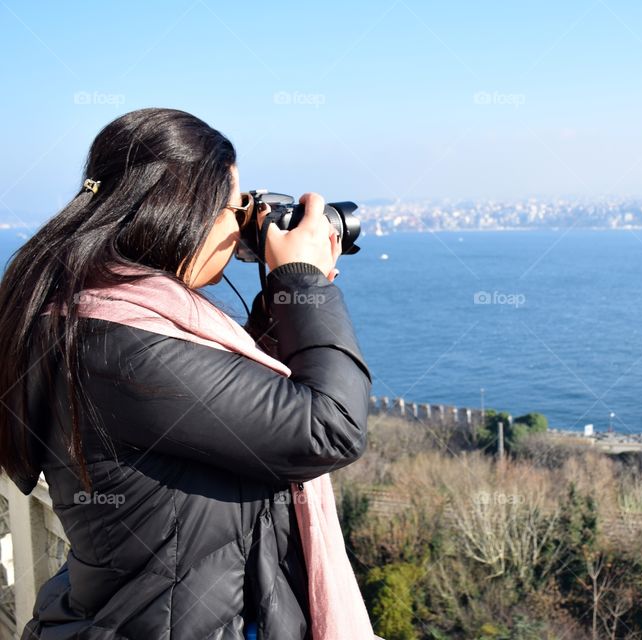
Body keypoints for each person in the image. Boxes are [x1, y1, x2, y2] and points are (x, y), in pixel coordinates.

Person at [0, 108, 372, 638]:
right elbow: (329, 427)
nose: (241, 223)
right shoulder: (119, 345)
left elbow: (233, 406)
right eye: (233, 205)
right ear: (181, 211)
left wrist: (279, 305)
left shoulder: (93, 313)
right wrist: (305, 282)